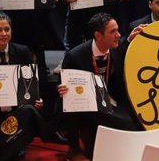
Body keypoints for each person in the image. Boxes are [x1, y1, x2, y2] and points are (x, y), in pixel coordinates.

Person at [57, 13, 138, 160]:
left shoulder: (118, 50)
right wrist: (62, 89)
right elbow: (64, 88)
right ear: (98, 35)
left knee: (133, 122)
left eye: (118, 30)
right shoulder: (75, 56)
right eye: (113, 32)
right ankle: (74, 148)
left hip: (112, 102)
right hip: (87, 107)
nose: (119, 35)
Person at [0, 10, 45, 160]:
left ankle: (14, 145)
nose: (4, 33)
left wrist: (38, 99)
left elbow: (32, 84)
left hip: (17, 111)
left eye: (7, 29)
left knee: (29, 110)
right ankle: (11, 146)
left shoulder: (23, 51)